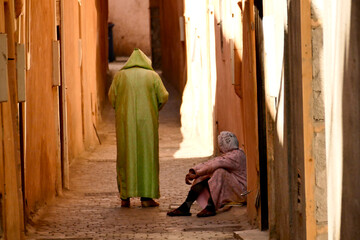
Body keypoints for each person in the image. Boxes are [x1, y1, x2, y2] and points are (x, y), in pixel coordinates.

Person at [108, 48, 169, 208]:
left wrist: (122, 108)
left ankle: (125, 197)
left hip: (124, 124)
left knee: (125, 157)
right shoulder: (153, 76)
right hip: (147, 124)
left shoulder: (120, 76)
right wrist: (154, 108)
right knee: (147, 156)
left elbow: (112, 97)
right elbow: (163, 96)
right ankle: (147, 198)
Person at [167, 131, 247, 217]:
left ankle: (210, 207)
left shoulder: (236, 155)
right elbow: (212, 163)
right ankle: (186, 206)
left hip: (241, 192)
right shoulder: (231, 154)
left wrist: (196, 173)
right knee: (207, 173)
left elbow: (215, 164)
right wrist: (194, 171)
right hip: (235, 190)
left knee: (219, 172)